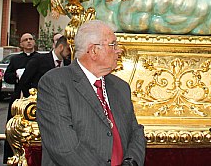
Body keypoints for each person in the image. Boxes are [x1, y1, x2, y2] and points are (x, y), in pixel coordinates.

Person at [37, 20, 145, 166]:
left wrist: (131, 162)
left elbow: (136, 132)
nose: (119, 50)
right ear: (94, 50)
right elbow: (65, 147)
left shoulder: (121, 87)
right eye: (113, 45)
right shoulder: (55, 83)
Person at [3, 32, 37, 162]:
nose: (29, 41)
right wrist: (17, 75)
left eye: (31, 39)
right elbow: (7, 77)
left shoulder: (39, 58)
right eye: (25, 40)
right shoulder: (15, 59)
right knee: (14, 128)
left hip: (36, 99)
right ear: (21, 44)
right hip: (19, 98)